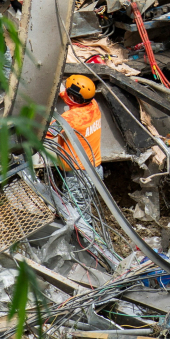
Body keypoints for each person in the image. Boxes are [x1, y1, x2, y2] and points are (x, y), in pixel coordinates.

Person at [44, 75, 120, 268]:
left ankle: (97, 258)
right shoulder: (93, 105)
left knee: (78, 218)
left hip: (78, 175)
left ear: (72, 97)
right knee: (84, 211)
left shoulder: (70, 118)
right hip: (94, 169)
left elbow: (46, 133)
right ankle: (92, 249)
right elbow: (70, 96)